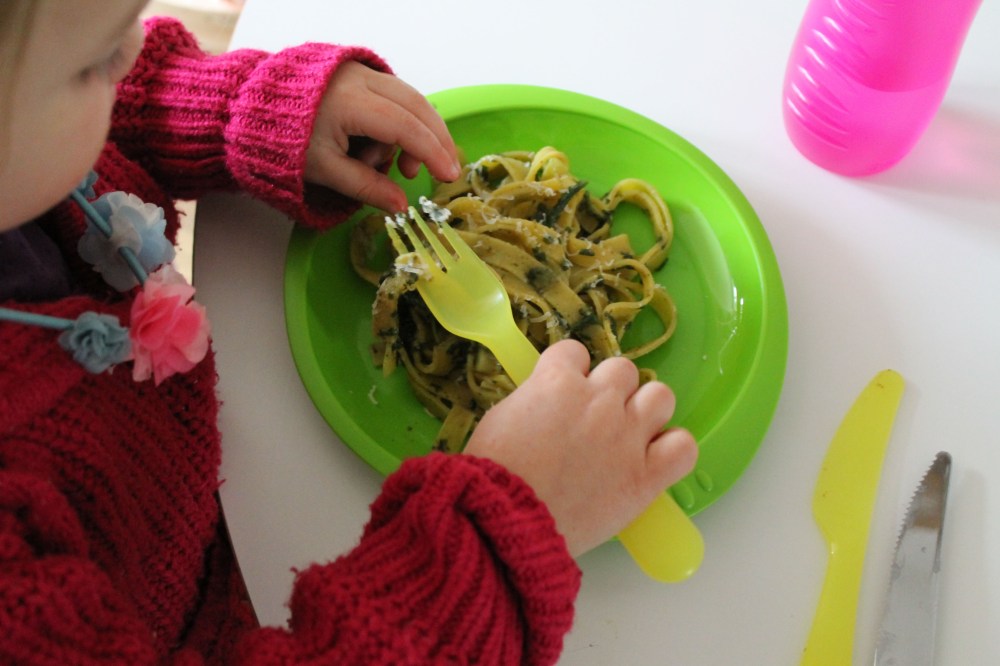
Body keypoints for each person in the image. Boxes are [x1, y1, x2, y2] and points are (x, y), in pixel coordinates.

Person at [0, 1, 698, 663]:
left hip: (199, 491)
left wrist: (245, 111)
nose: (135, 48)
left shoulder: (27, 151)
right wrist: (494, 542)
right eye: (93, 63)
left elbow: (108, 100)